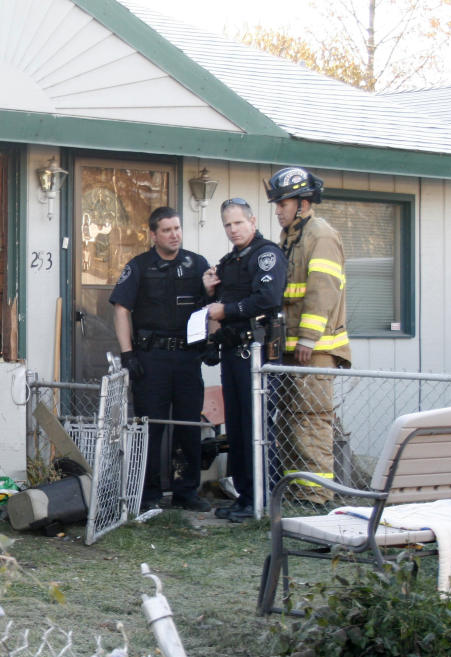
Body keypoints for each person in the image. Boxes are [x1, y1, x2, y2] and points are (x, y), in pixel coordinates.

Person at [110, 206, 218, 512]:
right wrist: (128, 353)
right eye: (167, 230)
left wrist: (211, 341)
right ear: (153, 234)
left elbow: (212, 306)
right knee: (149, 427)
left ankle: (186, 492)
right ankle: (148, 493)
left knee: (187, 425)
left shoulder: (197, 265)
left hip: (186, 358)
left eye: (177, 229)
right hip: (151, 358)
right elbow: (121, 309)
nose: (174, 235)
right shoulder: (140, 266)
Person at [266, 167, 351, 506]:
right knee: (289, 420)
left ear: (302, 203)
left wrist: (307, 339)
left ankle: (316, 493)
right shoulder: (291, 237)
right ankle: (297, 488)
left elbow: (322, 291)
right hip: (289, 350)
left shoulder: (321, 236)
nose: (277, 210)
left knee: (312, 421)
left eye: (282, 203)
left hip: (313, 350)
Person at [206, 198, 287, 522]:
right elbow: (215, 306)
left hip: (258, 355)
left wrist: (227, 310)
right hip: (232, 353)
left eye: (238, 222)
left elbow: (267, 298)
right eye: (227, 224)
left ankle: (263, 500)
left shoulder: (266, 254)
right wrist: (210, 293)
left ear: (252, 220)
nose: (233, 229)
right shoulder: (228, 263)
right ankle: (244, 498)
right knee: (237, 429)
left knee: (257, 427)